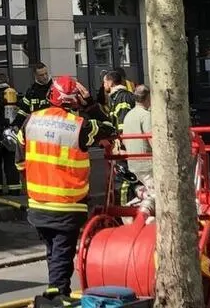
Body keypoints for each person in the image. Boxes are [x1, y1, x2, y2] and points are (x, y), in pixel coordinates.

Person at [15, 75, 117, 302]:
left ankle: (54, 290)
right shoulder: (80, 126)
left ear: (51, 95)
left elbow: (20, 162)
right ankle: (58, 293)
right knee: (62, 250)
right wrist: (91, 105)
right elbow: (111, 129)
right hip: (68, 204)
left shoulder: (31, 120)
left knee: (53, 251)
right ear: (75, 101)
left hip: (37, 204)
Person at [104, 69, 139, 205]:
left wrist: (124, 147)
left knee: (124, 181)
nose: (104, 86)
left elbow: (123, 124)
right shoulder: (119, 97)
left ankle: (125, 210)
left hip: (125, 150)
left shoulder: (121, 98)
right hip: (123, 148)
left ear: (110, 82)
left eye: (105, 83)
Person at [122, 85, 153, 198]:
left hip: (133, 164)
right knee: (156, 196)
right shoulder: (146, 116)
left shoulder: (129, 115)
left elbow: (125, 141)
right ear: (149, 98)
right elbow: (152, 140)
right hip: (148, 165)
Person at [14, 62, 52, 127]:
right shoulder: (31, 92)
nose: (45, 77)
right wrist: (15, 125)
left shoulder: (54, 89)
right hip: (36, 128)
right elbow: (23, 111)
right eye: (41, 75)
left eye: (46, 73)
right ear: (35, 75)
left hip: (52, 127)